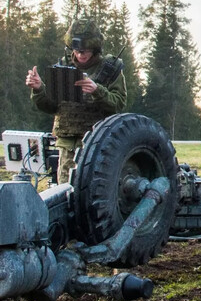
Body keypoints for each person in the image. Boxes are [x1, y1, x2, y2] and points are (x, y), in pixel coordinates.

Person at [25, 17, 127, 183]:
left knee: (95, 193)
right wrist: (38, 88)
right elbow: (51, 106)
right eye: (77, 50)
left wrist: (97, 91)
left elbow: (118, 104)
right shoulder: (63, 67)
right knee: (66, 194)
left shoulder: (111, 69)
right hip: (68, 145)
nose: (80, 54)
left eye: (85, 50)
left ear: (95, 48)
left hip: (98, 145)